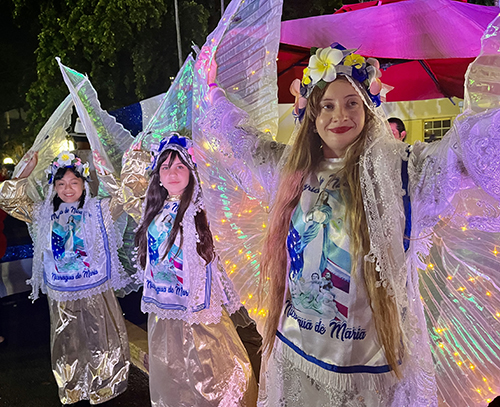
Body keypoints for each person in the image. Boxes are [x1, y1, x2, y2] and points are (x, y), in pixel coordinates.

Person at [200, 39, 500, 405]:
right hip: (299, 354)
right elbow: (242, 143)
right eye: (326, 106)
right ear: (310, 116)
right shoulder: (289, 171)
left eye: (351, 103)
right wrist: (212, 91)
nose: (338, 115)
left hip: (370, 370)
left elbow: (459, 156)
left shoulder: (405, 172)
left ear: (368, 108)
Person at [122, 133, 258, 407]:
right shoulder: (150, 210)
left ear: (192, 171)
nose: (172, 173)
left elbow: (242, 199)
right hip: (165, 312)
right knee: (174, 379)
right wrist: (134, 156)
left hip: (201, 313)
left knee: (217, 375)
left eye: (180, 166)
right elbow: (125, 193)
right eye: (165, 167)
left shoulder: (206, 208)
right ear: (157, 175)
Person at [0, 150, 132, 404]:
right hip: (62, 288)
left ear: (84, 183)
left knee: (100, 334)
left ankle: (105, 382)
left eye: (74, 182)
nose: (67, 189)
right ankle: (71, 384)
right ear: (54, 186)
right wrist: (24, 172)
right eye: (61, 184)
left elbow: (125, 196)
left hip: (94, 286)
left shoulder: (98, 209)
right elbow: (9, 201)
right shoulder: (42, 212)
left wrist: (104, 165)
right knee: (66, 338)